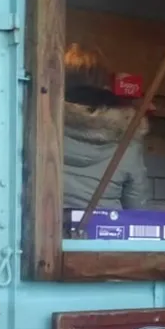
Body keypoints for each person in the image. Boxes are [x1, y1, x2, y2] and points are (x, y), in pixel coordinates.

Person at [62, 43, 151, 211]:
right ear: (105, 83)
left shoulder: (39, 124)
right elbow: (138, 208)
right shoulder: (127, 134)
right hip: (103, 232)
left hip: (44, 230)